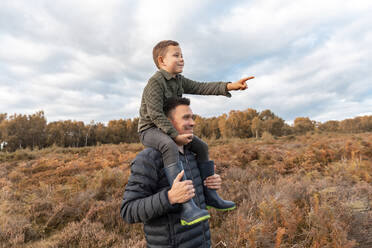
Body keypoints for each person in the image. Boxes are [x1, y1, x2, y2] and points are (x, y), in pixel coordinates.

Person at [138, 40, 254, 225]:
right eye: (176, 55)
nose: (182, 59)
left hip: (169, 129)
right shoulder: (155, 83)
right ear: (162, 61)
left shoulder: (178, 81)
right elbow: (155, 114)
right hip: (150, 129)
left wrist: (230, 86)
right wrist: (174, 135)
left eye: (182, 55)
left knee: (201, 146)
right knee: (169, 146)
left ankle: (210, 196)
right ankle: (186, 207)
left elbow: (201, 87)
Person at [121, 97, 225, 247]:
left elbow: (194, 195)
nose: (192, 122)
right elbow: (128, 211)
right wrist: (169, 197)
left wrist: (209, 184)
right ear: (167, 123)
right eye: (186, 118)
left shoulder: (192, 155)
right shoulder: (148, 159)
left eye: (192, 117)